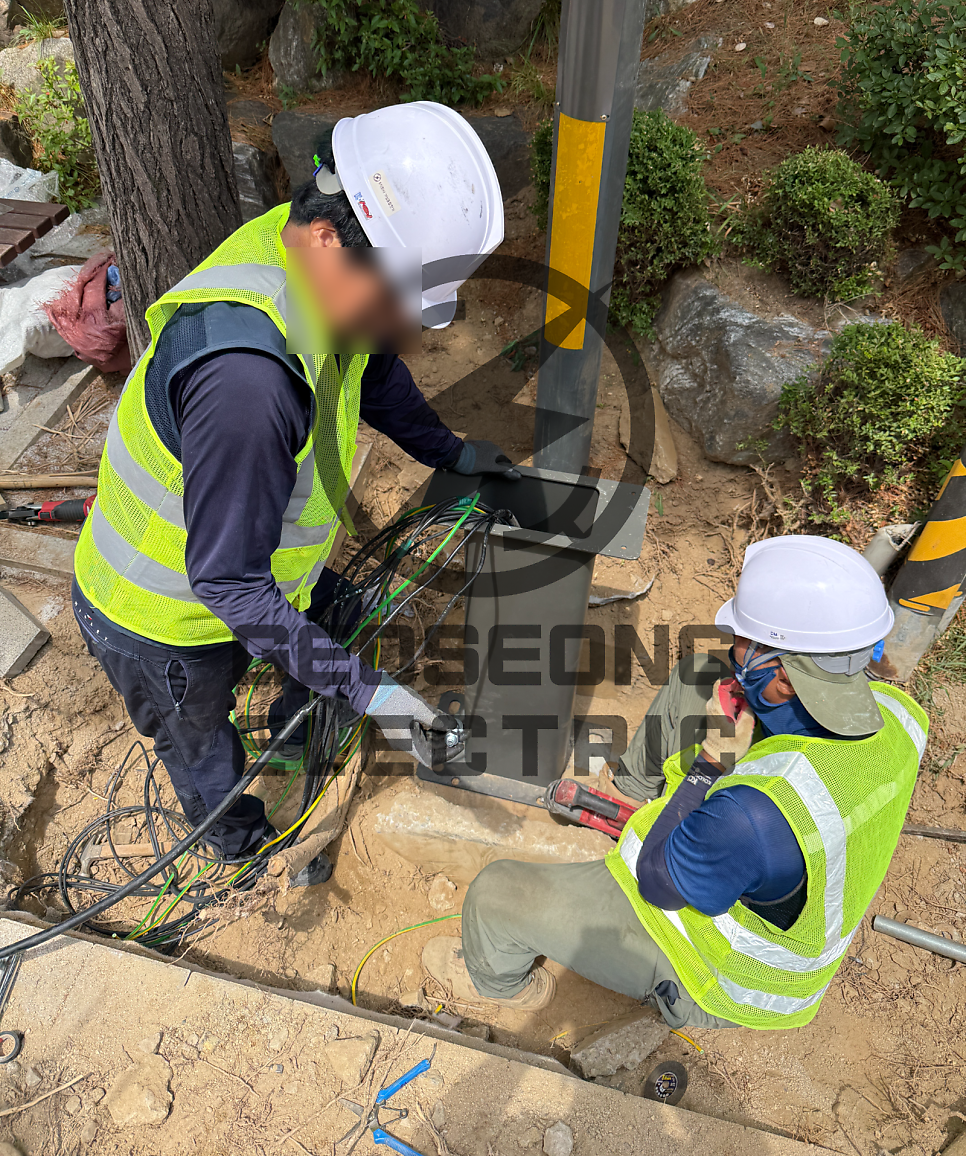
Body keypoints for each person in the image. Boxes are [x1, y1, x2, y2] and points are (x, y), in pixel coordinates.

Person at [72, 101, 519, 864]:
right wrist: (374, 695)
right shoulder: (247, 388)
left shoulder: (307, 253)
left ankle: (298, 729)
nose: (403, 328)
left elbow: (373, 372)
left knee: (340, 621)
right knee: (203, 749)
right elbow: (229, 586)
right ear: (328, 238)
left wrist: (450, 452)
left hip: (250, 569)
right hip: (162, 618)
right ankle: (240, 853)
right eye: (395, 301)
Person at [423, 535, 929, 1028]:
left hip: (720, 975)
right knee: (697, 678)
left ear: (783, 680)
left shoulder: (752, 817)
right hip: (755, 851)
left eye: (744, 644)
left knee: (495, 896)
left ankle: (502, 987)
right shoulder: (899, 715)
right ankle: (628, 795)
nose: (734, 650)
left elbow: (658, 882)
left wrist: (711, 763)